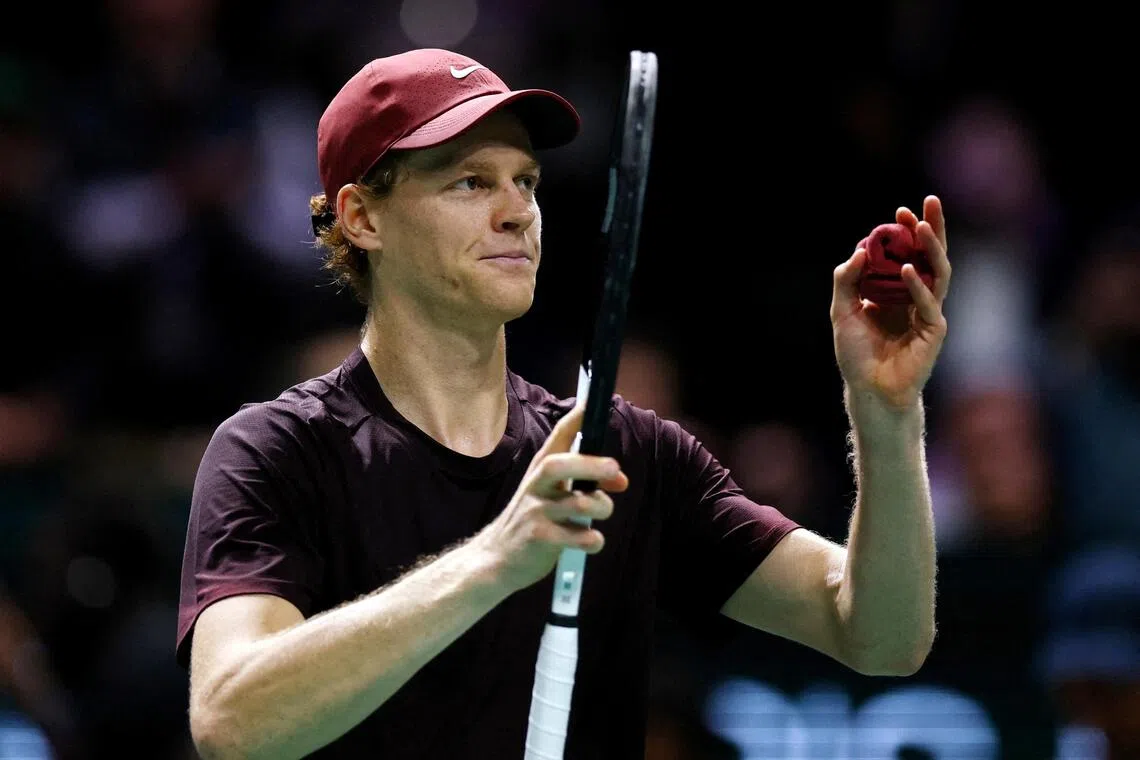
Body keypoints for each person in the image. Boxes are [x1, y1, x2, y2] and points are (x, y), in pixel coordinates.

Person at [176, 47, 951, 759]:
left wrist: (886, 413)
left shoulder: (620, 455)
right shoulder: (278, 453)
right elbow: (231, 722)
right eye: (470, 181)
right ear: (362, 217)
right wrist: (494, 560)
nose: (516, 210)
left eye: (526, 181)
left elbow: (880, 635)